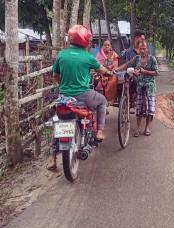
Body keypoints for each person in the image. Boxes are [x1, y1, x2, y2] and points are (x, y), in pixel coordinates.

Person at [47, 25, 113, 171]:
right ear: (84, 40)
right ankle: (100, 131)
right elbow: (102, 70)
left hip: (64, 97)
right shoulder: (87, 57)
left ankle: (52, 158)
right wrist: (108, 73)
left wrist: (64, 85)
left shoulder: (61, 55)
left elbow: (56, 76)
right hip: (84, 95)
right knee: (102, 101)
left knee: (59, 122)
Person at [125, 40, 159, 137]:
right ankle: (138, 128)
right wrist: (116, 70)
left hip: (150, 88)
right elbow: (127, 65)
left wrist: (145, 71)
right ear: (138, 49)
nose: (142, 50)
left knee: (150, 110)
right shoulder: (136, 58)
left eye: (144, 48)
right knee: (139, 109)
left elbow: (157, 72)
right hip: (140, 87)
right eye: (140, 49)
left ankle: (147, 128)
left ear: (147, 49)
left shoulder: (152, 59)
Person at [95, 40, 118, 107]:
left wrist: (110, 71)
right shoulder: (99, 54)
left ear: (110, 46)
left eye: (108, 45)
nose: (107, 47)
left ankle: (109, 100)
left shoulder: (114, 54)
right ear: (102, 46)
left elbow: (115, 66)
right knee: (96, 82)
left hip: (111, 74)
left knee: (112, 82)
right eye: (105, 45)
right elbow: (97, 66)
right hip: (100, 74)